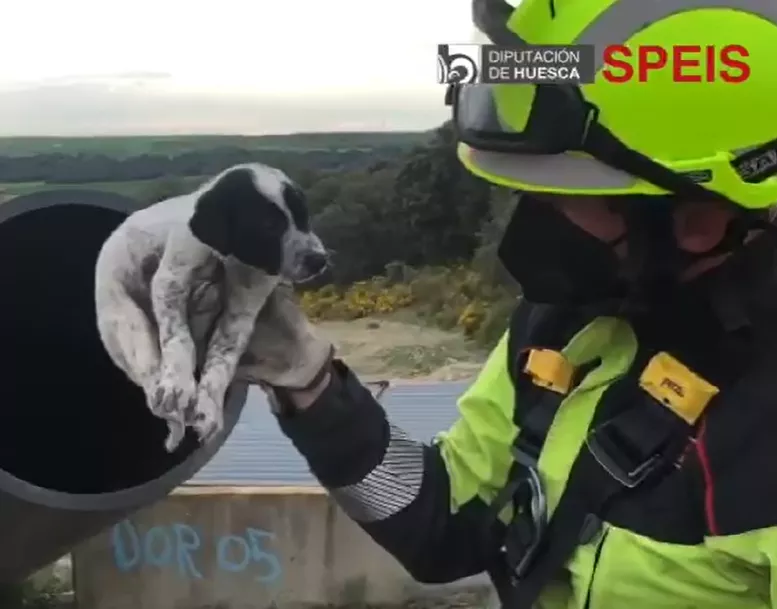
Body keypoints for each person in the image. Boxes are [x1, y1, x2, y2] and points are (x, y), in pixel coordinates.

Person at [100, 0, 777, 607]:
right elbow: (446, 522)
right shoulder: (573, 325)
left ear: (697, 217)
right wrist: (310, 386)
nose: (530, 224)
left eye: (559, 197)